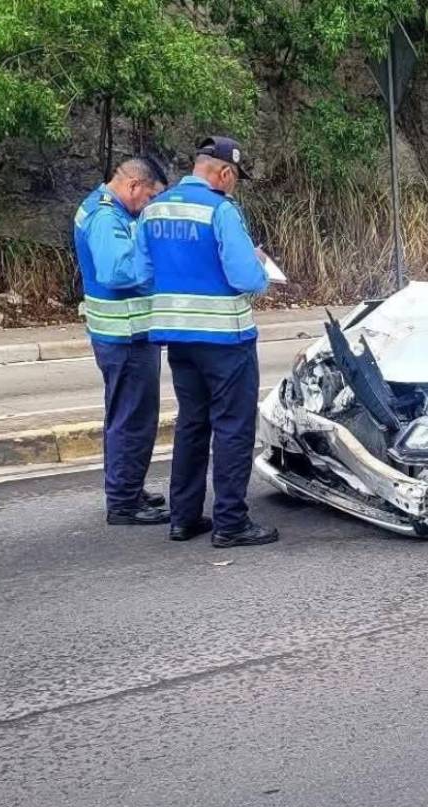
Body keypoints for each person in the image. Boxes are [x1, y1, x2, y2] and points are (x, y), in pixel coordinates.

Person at [137, 137, 278, 547]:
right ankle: (231, 523)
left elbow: (142, 271)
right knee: (233, 428)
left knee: (192, 425)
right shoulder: (221, 210)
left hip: (177, 338)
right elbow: (244, 277)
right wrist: (262, 272)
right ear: (225, 173)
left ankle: (183, 518)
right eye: (235, 179)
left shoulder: (155, 208)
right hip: (225, 338)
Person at [73, 156, 170, 526]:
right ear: (133, 186)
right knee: (133, 419)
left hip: (121, 334)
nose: (150, 205)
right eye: (150, 196)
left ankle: (128, 487)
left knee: (127, 415)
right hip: (125, 336)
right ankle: (124, 502)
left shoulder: (103, 209)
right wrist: (160, 268)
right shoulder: (106, 218)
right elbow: (117, 271)